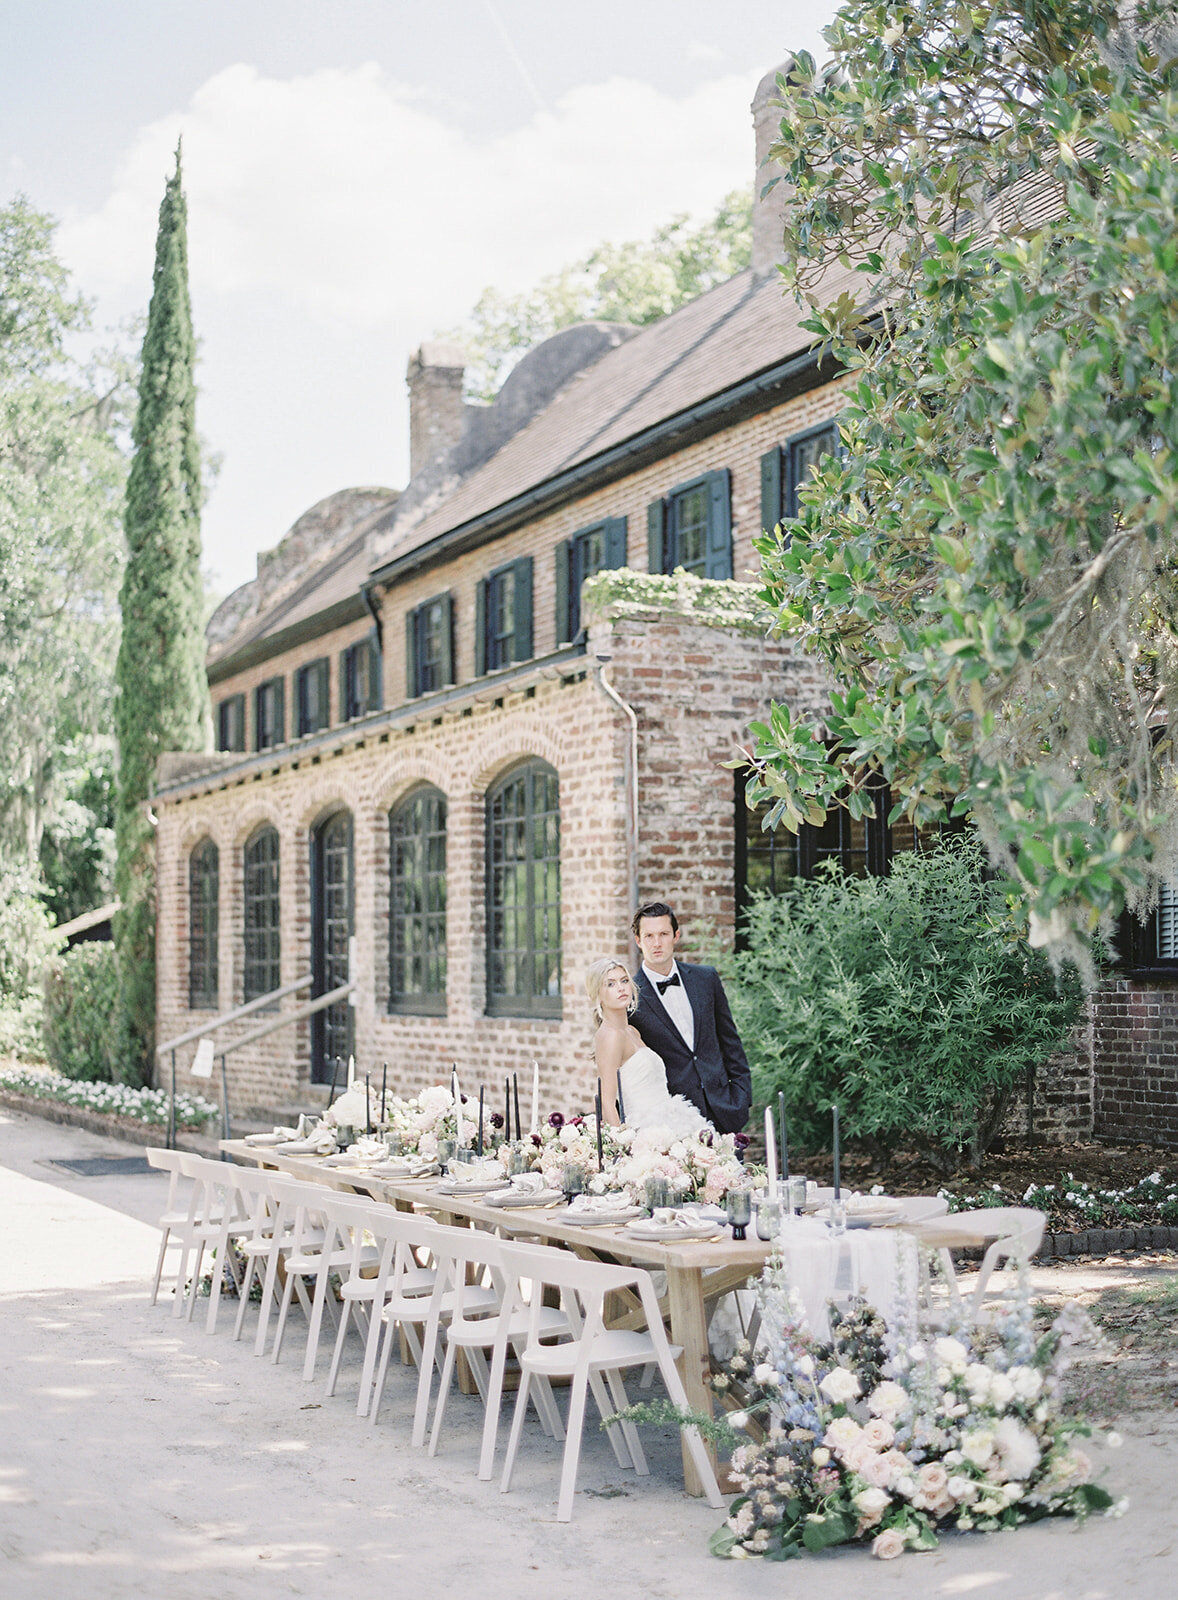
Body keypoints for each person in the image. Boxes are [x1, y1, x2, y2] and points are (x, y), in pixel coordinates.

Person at [629, 900, 751, 1135]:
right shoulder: (630, 998)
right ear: (638, 941)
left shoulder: (706, 979)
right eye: (649, 936)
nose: (656, 943)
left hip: (724, 1110)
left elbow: (730, 1041)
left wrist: (741, 1097)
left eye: (663, 934)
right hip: (673, 1121)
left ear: (676, 936)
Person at [586, 956, 711, 1137]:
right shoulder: (611, 1036)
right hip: (647, 1132)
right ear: (598, 994)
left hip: (671, 1119)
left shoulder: (631, 1031)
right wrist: (623, 1147)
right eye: (610, 984)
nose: (621, 988)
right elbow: (607, 1102)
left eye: (624, 980)